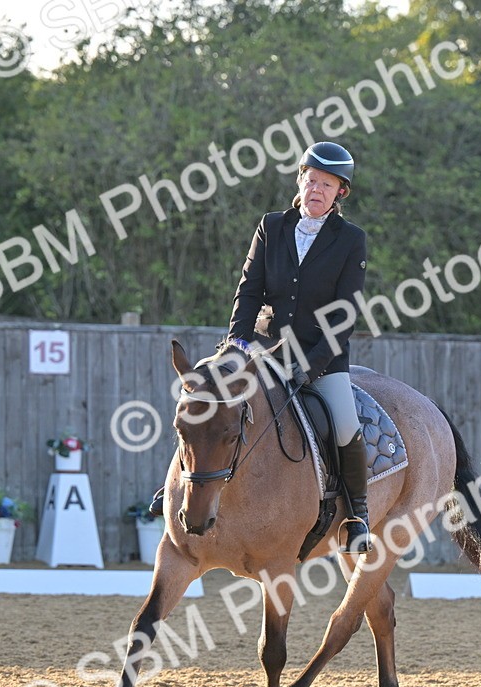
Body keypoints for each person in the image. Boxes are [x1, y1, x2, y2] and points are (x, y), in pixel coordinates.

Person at [151, 141, 373, 553]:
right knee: (203, 396)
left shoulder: (351, 240)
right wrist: (236, 344)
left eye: (326, 184)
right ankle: (176, 487)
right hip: (260, 347)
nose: (316, 189)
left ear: (340, 192)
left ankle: (357, 516)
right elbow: (248, 291)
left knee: (344, 423)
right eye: (310, 180)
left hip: (319, 358)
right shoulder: (272, 226)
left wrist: (309, 367)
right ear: (300, 181)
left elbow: (343, 316)